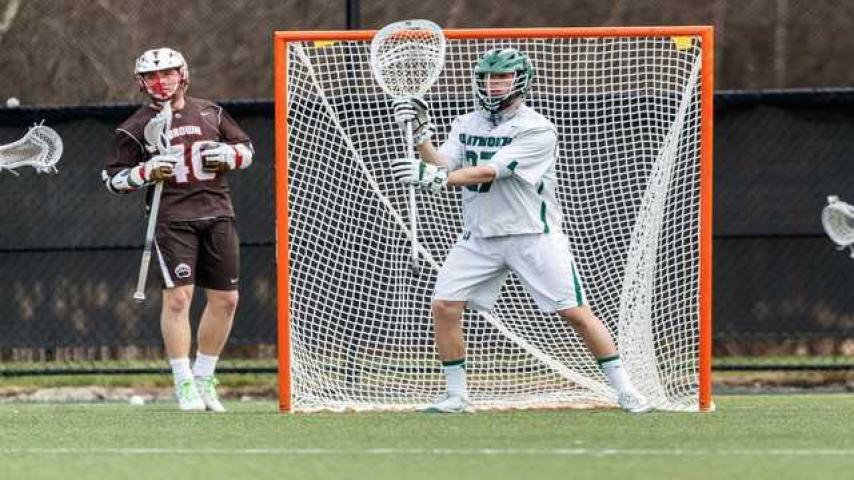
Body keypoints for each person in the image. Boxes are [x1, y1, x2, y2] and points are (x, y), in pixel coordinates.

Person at [391, 48, 651, 414]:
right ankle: (456, 396)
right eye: (486, 78)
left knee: (575, 313)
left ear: (520, 80)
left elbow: (491, 171)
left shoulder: (537, 128)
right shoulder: (466, 123)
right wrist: (422, 138)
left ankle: (627, 391)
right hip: (480, 237)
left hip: (532, 235)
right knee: (445, 306)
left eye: (501, 77)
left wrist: (435, 177)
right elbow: (444, 164)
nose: (492, 84)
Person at [101, 47, 254, 412]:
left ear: (183, 74)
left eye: (167, 73)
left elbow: (246, 149)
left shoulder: (211, 112)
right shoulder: (135, 127)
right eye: (152, 76)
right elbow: (111, 179)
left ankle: (204, 377)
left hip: (217, 213)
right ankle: (183, 381)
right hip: (172, 218)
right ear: (141, 82)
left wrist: (229, 156)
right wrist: (145, 172)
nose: (161, 81)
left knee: (227, 300)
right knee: (179, 298)